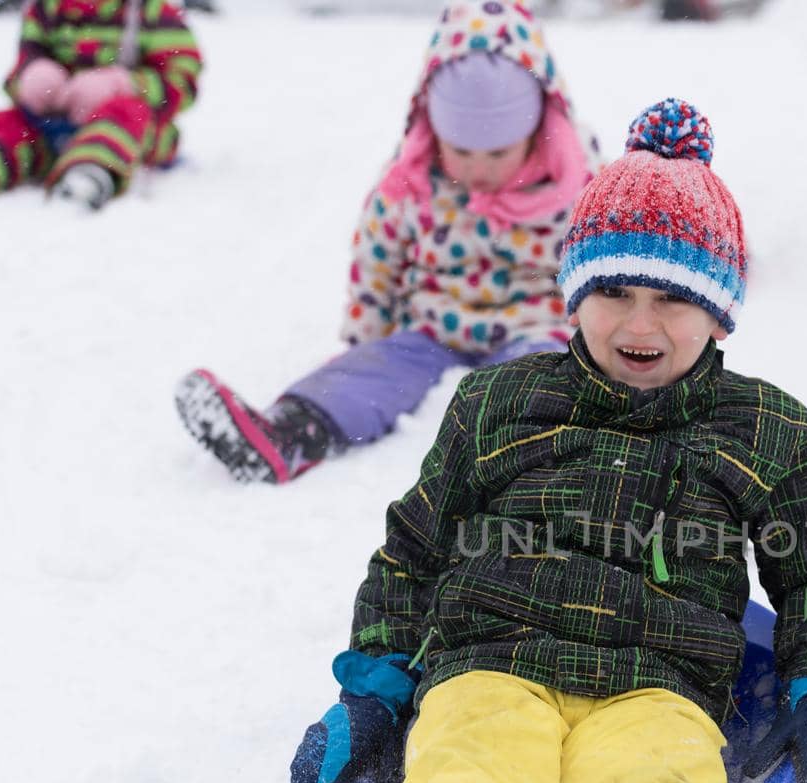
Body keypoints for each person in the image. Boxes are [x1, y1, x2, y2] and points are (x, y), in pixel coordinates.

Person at [291, 99, 807, 783]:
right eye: (613, 291)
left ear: (720, 307)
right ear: (572, 292)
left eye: (674, 298)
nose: (639, 324)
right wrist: (376, 686)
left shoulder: (761, 431)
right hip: (491, 661)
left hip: (659, 681)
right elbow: (415, 548)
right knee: (472, 772)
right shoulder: (500, 402)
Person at [173, 1, 600, 485]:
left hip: (535, 328)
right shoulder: (413, 181)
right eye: (461, 150)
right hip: (434, 329)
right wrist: (366, 342)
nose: (478, 169)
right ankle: (290, 432)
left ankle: (541, 468)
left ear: (536, 128)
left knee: (536, 386)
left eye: (499, 152)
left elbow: (602, 270)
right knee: (374, 370)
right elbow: (377, 263)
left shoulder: (573, 183)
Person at [0, 0, 201, 211]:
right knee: (5, 126)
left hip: (138, 135)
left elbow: (182, 81)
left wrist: (124, 85)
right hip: (54, 127)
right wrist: (32, 79)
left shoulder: (151, 12)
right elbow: (19, 70)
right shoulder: (46, 10)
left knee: (125, 114)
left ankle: (89, 175)